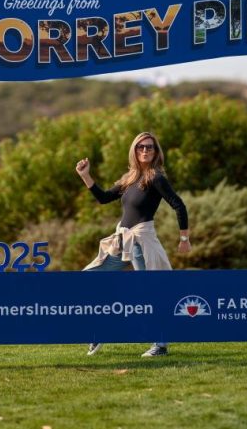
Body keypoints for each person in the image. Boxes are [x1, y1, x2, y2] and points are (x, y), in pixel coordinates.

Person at [75, 131, 191, 357]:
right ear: (134, 151)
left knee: (151, 292)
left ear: (156, 152)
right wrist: (85, 176)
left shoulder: (156, 178)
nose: (145, 150)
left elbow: (179, 205)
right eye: (141, 147)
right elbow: (104, 198)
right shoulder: (129, 179)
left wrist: (184, 239)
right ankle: (99, 333)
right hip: (122, 241)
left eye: (150, 147)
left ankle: (160, 345)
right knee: (89, 277)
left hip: (142, 241)